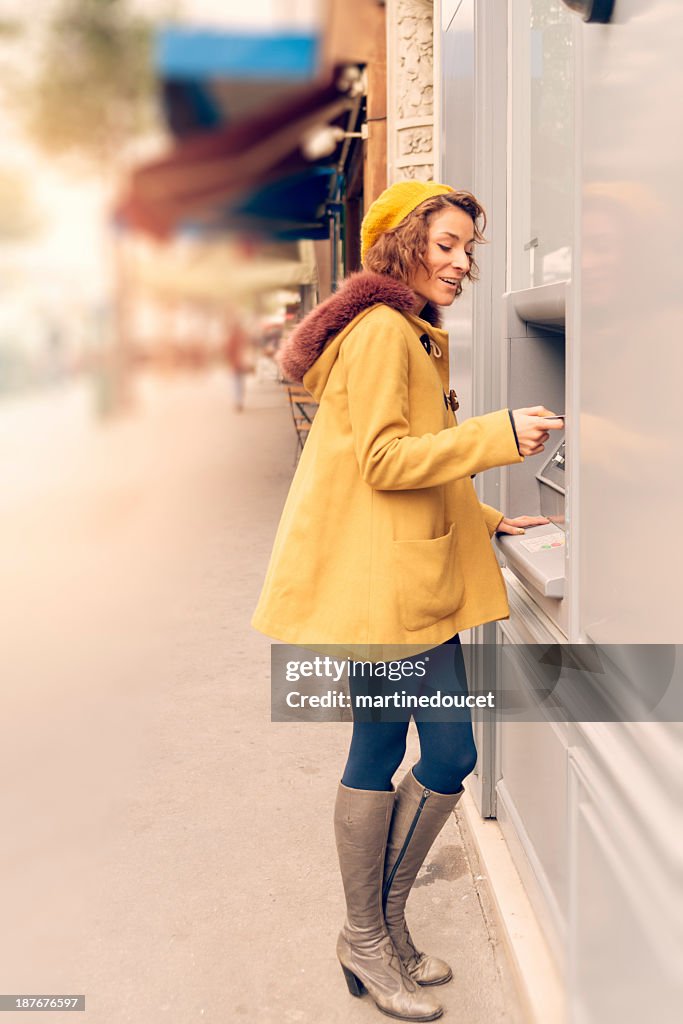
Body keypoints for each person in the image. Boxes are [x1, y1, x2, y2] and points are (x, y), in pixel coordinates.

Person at [252, 181, 562, 1021]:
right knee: (425, 751)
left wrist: (489, 517)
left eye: (469, 248)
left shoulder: (403, 329)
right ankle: (368, 933)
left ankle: (377, 930)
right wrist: (499, 433)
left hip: (399, 576)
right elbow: (388, 461)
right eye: (448, 245)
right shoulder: (388, 332)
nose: (462, 263)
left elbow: (403, 462)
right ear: (401, 244)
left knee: (405, 748)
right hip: (388, 585)